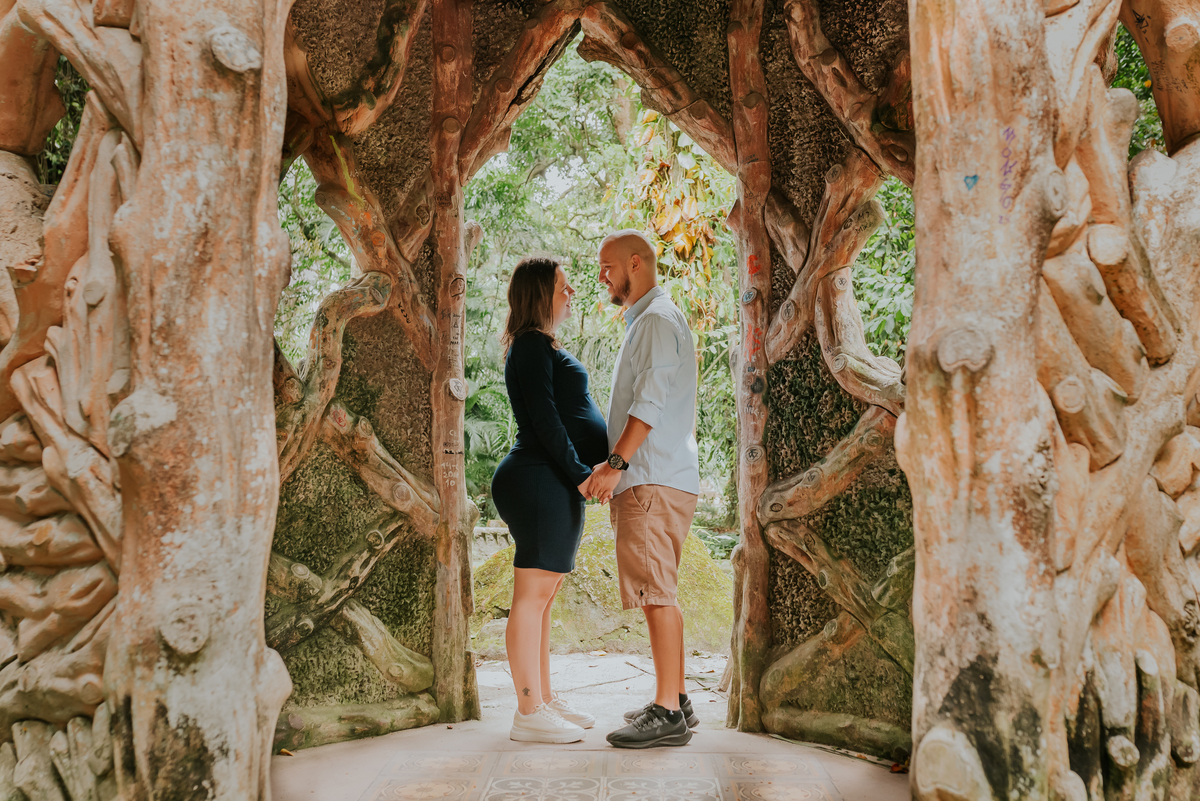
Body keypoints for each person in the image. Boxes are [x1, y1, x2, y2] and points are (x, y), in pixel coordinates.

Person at [581, 230, 701, 749]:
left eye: (608, 266)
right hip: (658, 476)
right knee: (659, 590)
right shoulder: (652, 319)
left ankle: (668, 712)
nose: (602, 276)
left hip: (651, 477)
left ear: (636, 263)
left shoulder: (654, 320)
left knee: (657, 592)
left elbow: (648, 403)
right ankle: (677, 697)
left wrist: (614, 465)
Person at [491, 256, 609, 744]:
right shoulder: (531, 346)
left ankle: (542, 696)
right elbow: (544, 421)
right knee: (532, 597)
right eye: (564, 285)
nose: (571, 293)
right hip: (539, 479)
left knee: (545, 599)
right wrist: (583, 474)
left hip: (552, 481)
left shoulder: (539, 347)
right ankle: (527, 711)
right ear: (541, 292)